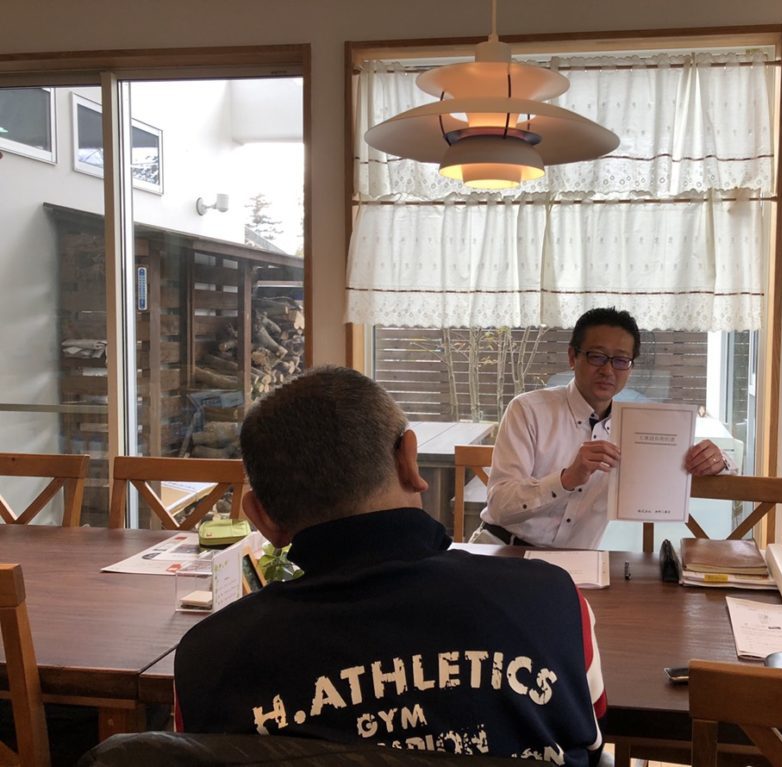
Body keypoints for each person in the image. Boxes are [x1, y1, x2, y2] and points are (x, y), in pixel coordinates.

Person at [174, 367, 606, 767]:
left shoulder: (207, 660)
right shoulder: (555, 602)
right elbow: (594, 737)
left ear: (261, 517)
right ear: (409, 461)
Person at [469, 307, 735, 549]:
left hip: (575, 565)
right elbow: (500, 505)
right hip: (504, 549)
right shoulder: (528, 410)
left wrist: (717, 460)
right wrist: (566, 479)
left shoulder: (633, 426)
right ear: (572, 357)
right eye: (597, 357)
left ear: (630, 367)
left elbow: (706, 461)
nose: (608, 370)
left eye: (620, 360)